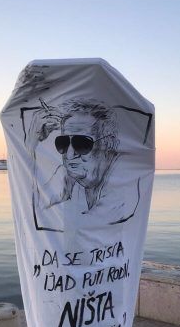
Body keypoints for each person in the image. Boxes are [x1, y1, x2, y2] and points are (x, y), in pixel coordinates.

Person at [27, 98, 140, 230]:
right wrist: (32, 142)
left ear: (108, 143)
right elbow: (32, 208)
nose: (69, 155)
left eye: (81, 144)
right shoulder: (71, 172)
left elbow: (90, 227)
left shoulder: (125, 177)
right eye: (63, 143)